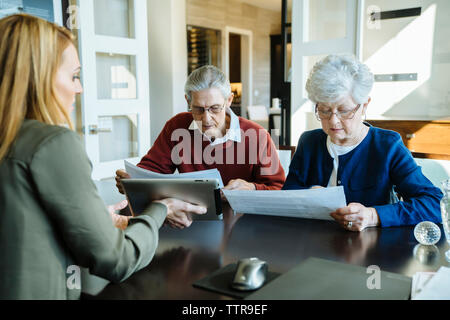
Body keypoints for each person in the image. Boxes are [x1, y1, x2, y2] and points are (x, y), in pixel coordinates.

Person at [0, 14, 206, 300]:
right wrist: (160, 209)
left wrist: (95, 220)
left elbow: (24, 224)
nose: (80, 88)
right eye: (73, 76)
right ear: (38, 77)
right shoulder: (53, 144)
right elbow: (117, 259)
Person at [283, 54, 442, 231]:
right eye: (325, 111)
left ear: (364, 105)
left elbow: (434, 203)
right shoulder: (309, 141)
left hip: (371, 250)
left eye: (343, 111)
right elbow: (288, 193)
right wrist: (310, 193)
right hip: (313, 244)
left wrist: (373, 215)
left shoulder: (387, 145)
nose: (334, 121)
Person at [115, 65, 286, 228]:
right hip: (189, 221)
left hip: (243, 225)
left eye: (215, 108)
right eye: (198, 109)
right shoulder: (176, 126)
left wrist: (252, 187)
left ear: (229, 100)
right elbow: (152, 170)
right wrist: (133, 182)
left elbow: (278, 189)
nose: (206, 119)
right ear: (187, 100)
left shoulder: (258, 135)